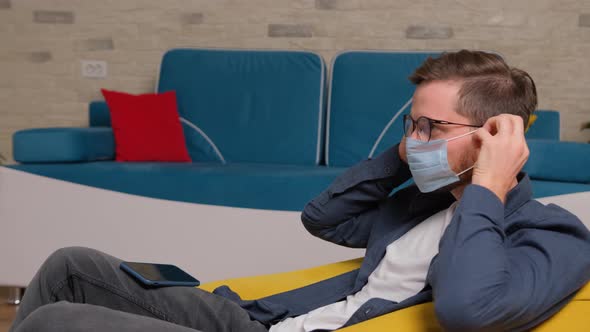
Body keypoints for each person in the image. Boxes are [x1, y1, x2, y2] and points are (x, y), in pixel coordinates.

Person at [9, 50, 590, 332]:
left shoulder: (551, 233)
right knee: (71, 267)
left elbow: (469, 308)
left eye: (429, 128)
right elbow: (324, 218)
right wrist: (415, 149)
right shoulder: (424, 203)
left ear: (495, 136)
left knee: (52, 322)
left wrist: (486, 184)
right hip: (264, 321)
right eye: (411, 124)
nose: (413, 142)